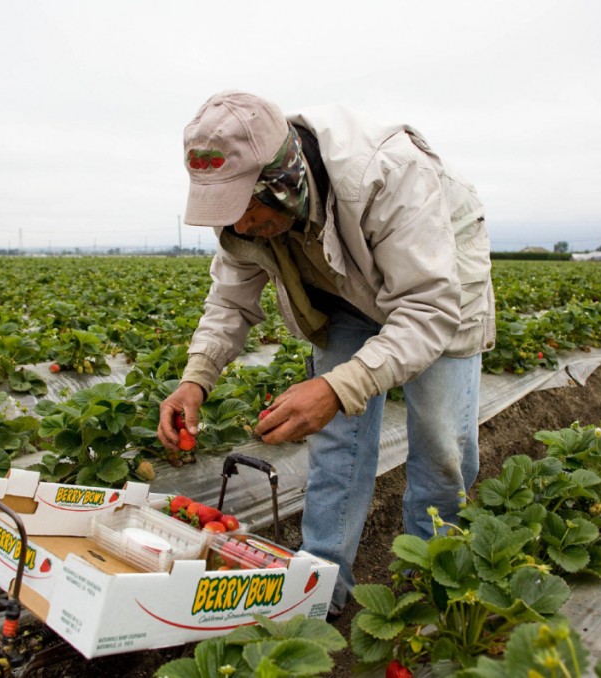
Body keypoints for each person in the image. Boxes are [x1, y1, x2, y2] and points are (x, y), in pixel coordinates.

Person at [157, 90, 495, 615]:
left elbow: (428, 308)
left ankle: (433, 587)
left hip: (433, 285)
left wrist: (339, 386)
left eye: (244, 206)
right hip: (337, 287)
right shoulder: (245, 223)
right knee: (336, 443)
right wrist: (195, 380)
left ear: (283, 179)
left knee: (440, 446)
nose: (238, 225)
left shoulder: (386, 172)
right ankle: (319, 592)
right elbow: (228, 301)